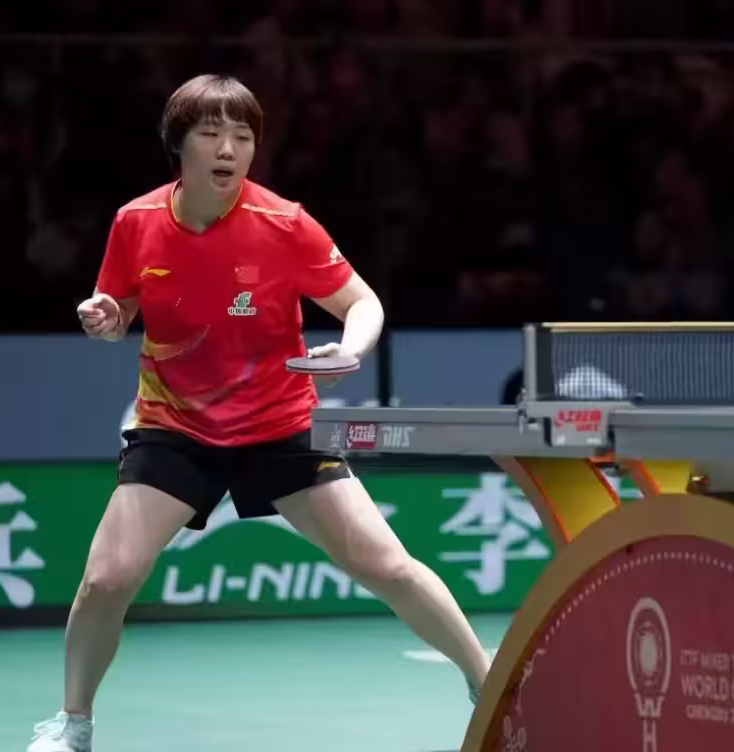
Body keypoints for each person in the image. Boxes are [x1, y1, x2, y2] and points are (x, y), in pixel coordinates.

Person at [29, 74, 490, 752]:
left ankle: (489, 684)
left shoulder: (284, 223)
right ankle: (73, 724)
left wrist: (351, 349)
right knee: (106, 578)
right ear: (179, 144)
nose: (229, 149)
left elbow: (363, 303)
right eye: (212, 133)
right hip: (175, 427)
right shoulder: (136, 222)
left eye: (243, 136)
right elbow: (120, 306)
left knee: (387, 565)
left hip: (279, 424)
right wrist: (108, 317)